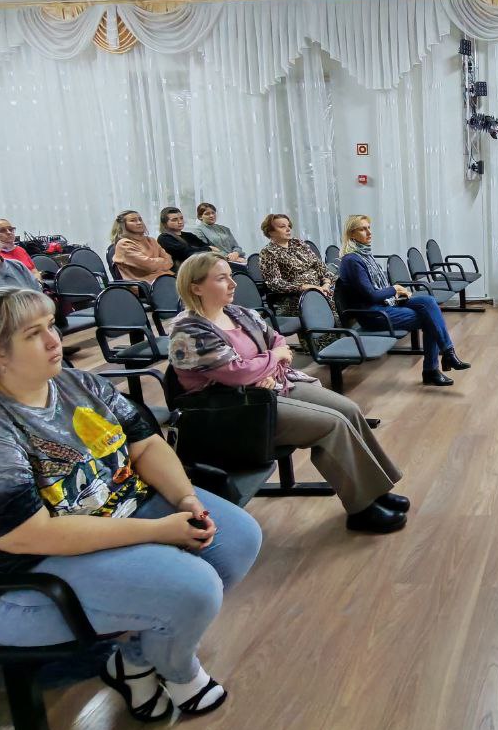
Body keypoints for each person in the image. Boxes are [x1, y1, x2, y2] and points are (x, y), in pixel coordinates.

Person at [0, 287, 261, 721]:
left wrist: (186, 499)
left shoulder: (77, 383)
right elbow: (32, 535)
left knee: (237, 540)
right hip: (16, 578)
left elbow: (145, 445)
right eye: (33, 334)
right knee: (194, 589)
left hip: (106, 516)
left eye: (50, 325)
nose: (54, 340)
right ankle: (178, 671)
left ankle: (132, 663)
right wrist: (160, 529)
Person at [167, 254, 407, 533]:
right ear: (196, 287)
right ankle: (361, 510)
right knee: (332, 425)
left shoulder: (238, 313)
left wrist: (265, 368)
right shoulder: (188, 330)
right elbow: (239, 373)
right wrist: (271, 361)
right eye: (222, 279)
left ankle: (376, 490)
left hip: (267, 389)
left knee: (349, 410)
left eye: (231, 276)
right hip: (234, 411)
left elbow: (278, 341)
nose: (233, 283)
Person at [336, 214, 469, 387]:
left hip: (384, 305)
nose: (369, 232)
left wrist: (396, 293)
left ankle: (446, 355)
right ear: (351, 234)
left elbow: (376, 291)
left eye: (369, 227)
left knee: (429, 302)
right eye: (363, 229)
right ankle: (434, 368)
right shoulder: (352, 260)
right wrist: (395, 289)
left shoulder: (363, 255)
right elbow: (371, 295)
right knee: (430, 318)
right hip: (373, 315)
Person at [258, 214, 335, 319]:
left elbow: (320, 266)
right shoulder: (268, 252)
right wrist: (305, 287)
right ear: (270, 232)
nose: (288, 229)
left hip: (320, 288)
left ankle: (344, 326)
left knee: (341, 292)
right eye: (282, 226)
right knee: (327, 300)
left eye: (289, 226)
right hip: (295, 297)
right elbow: (275, 283)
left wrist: (326, 284)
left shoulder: (298, 243)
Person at [110, 210, 174, 284]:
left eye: (140, 219)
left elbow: (169, 261)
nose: (139, 223)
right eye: (133, 220)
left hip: (165, 278)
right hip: (145, 284)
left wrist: (155, 263)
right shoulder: (124, 244)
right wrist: (161, 261)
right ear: (123, 225)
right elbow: (149, 266)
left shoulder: (151, 240)